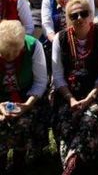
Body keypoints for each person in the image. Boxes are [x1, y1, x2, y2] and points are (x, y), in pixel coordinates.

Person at [51, 0, 98, 175]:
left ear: (91, 15)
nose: (79, 18)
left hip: (95, 92)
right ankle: (74, 161)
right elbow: (57, 75)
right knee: (66, 122)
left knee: (90, 118)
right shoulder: (60, 39)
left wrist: (90, 97)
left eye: (83, 14)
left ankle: (72, 166)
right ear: (68, 18)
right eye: (74, 15)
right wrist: (70, 99)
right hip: (67, 94)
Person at [0, 21, 49, 171]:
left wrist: (27, 104)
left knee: (24, 120)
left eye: (15, 53)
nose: (10, 57)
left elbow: (41, 82)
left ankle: (19, 155)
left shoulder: (34, 46)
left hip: (27, 95)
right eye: (5, 54)